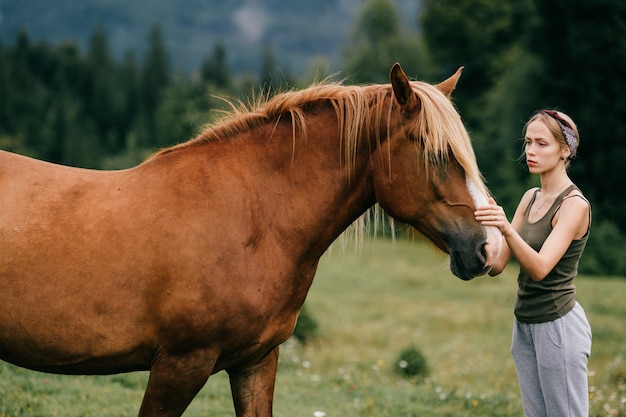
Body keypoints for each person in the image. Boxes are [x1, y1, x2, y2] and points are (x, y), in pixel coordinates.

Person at [474, 109, 592, 417]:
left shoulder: (574, 205)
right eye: (527, 142)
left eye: (541, 143)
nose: (530, 151)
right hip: (524, 323)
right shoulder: (529, 197)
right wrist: (470, 233)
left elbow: (540, 268)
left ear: (565, 150)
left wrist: (506, 227)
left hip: (557, 325)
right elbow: (498, 264)